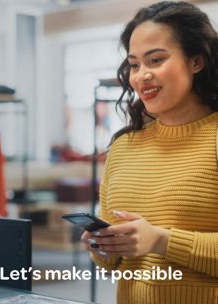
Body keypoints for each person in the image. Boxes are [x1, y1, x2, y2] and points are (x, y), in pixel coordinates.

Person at [80, 2, 218, 304]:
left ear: (196, 61)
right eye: (134, 64)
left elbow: (155, 242)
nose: (141, 76)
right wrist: (102, 246)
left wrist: (161, 240)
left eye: (155, 60)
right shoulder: (124, 147)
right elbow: (117, 265)